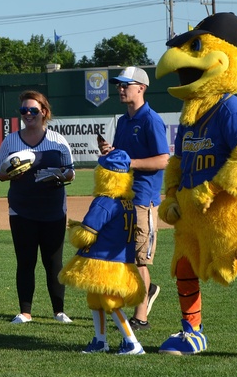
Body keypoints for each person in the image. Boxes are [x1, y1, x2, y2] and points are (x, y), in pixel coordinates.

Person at [0, 90, 75, 325]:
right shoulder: (11, 140)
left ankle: (59, 311)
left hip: (53, 210)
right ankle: (25, 312)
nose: (28, 114)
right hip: (21, 210)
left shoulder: (58, 140)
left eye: (33, 110)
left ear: (44, 113)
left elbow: (71, 172)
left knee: (54, 263)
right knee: (26, 261)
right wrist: (9, 174)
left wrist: (59, 176)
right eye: (23, 111)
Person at [101, 66, 169, 332]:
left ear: (141, 88)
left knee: (141, 258)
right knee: (126, 255)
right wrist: (112, 151)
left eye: (125, 85)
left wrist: (130, 162)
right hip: (124, 196)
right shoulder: (123, 120)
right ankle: (147, 291)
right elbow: (123, 155)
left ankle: (141, 317)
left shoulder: (151, 120)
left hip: (144, 198)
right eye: (119, 85)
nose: (120, 89)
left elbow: (164, 159)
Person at [59, 150, 145, 355]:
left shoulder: (104, 202)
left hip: (104, 261)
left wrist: (75, 230)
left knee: (110, 303)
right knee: (95, 300)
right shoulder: (127, 202)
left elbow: (86, 235)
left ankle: (132, 343)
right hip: (119, 260)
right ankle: (100, 340)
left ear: (105, 174)